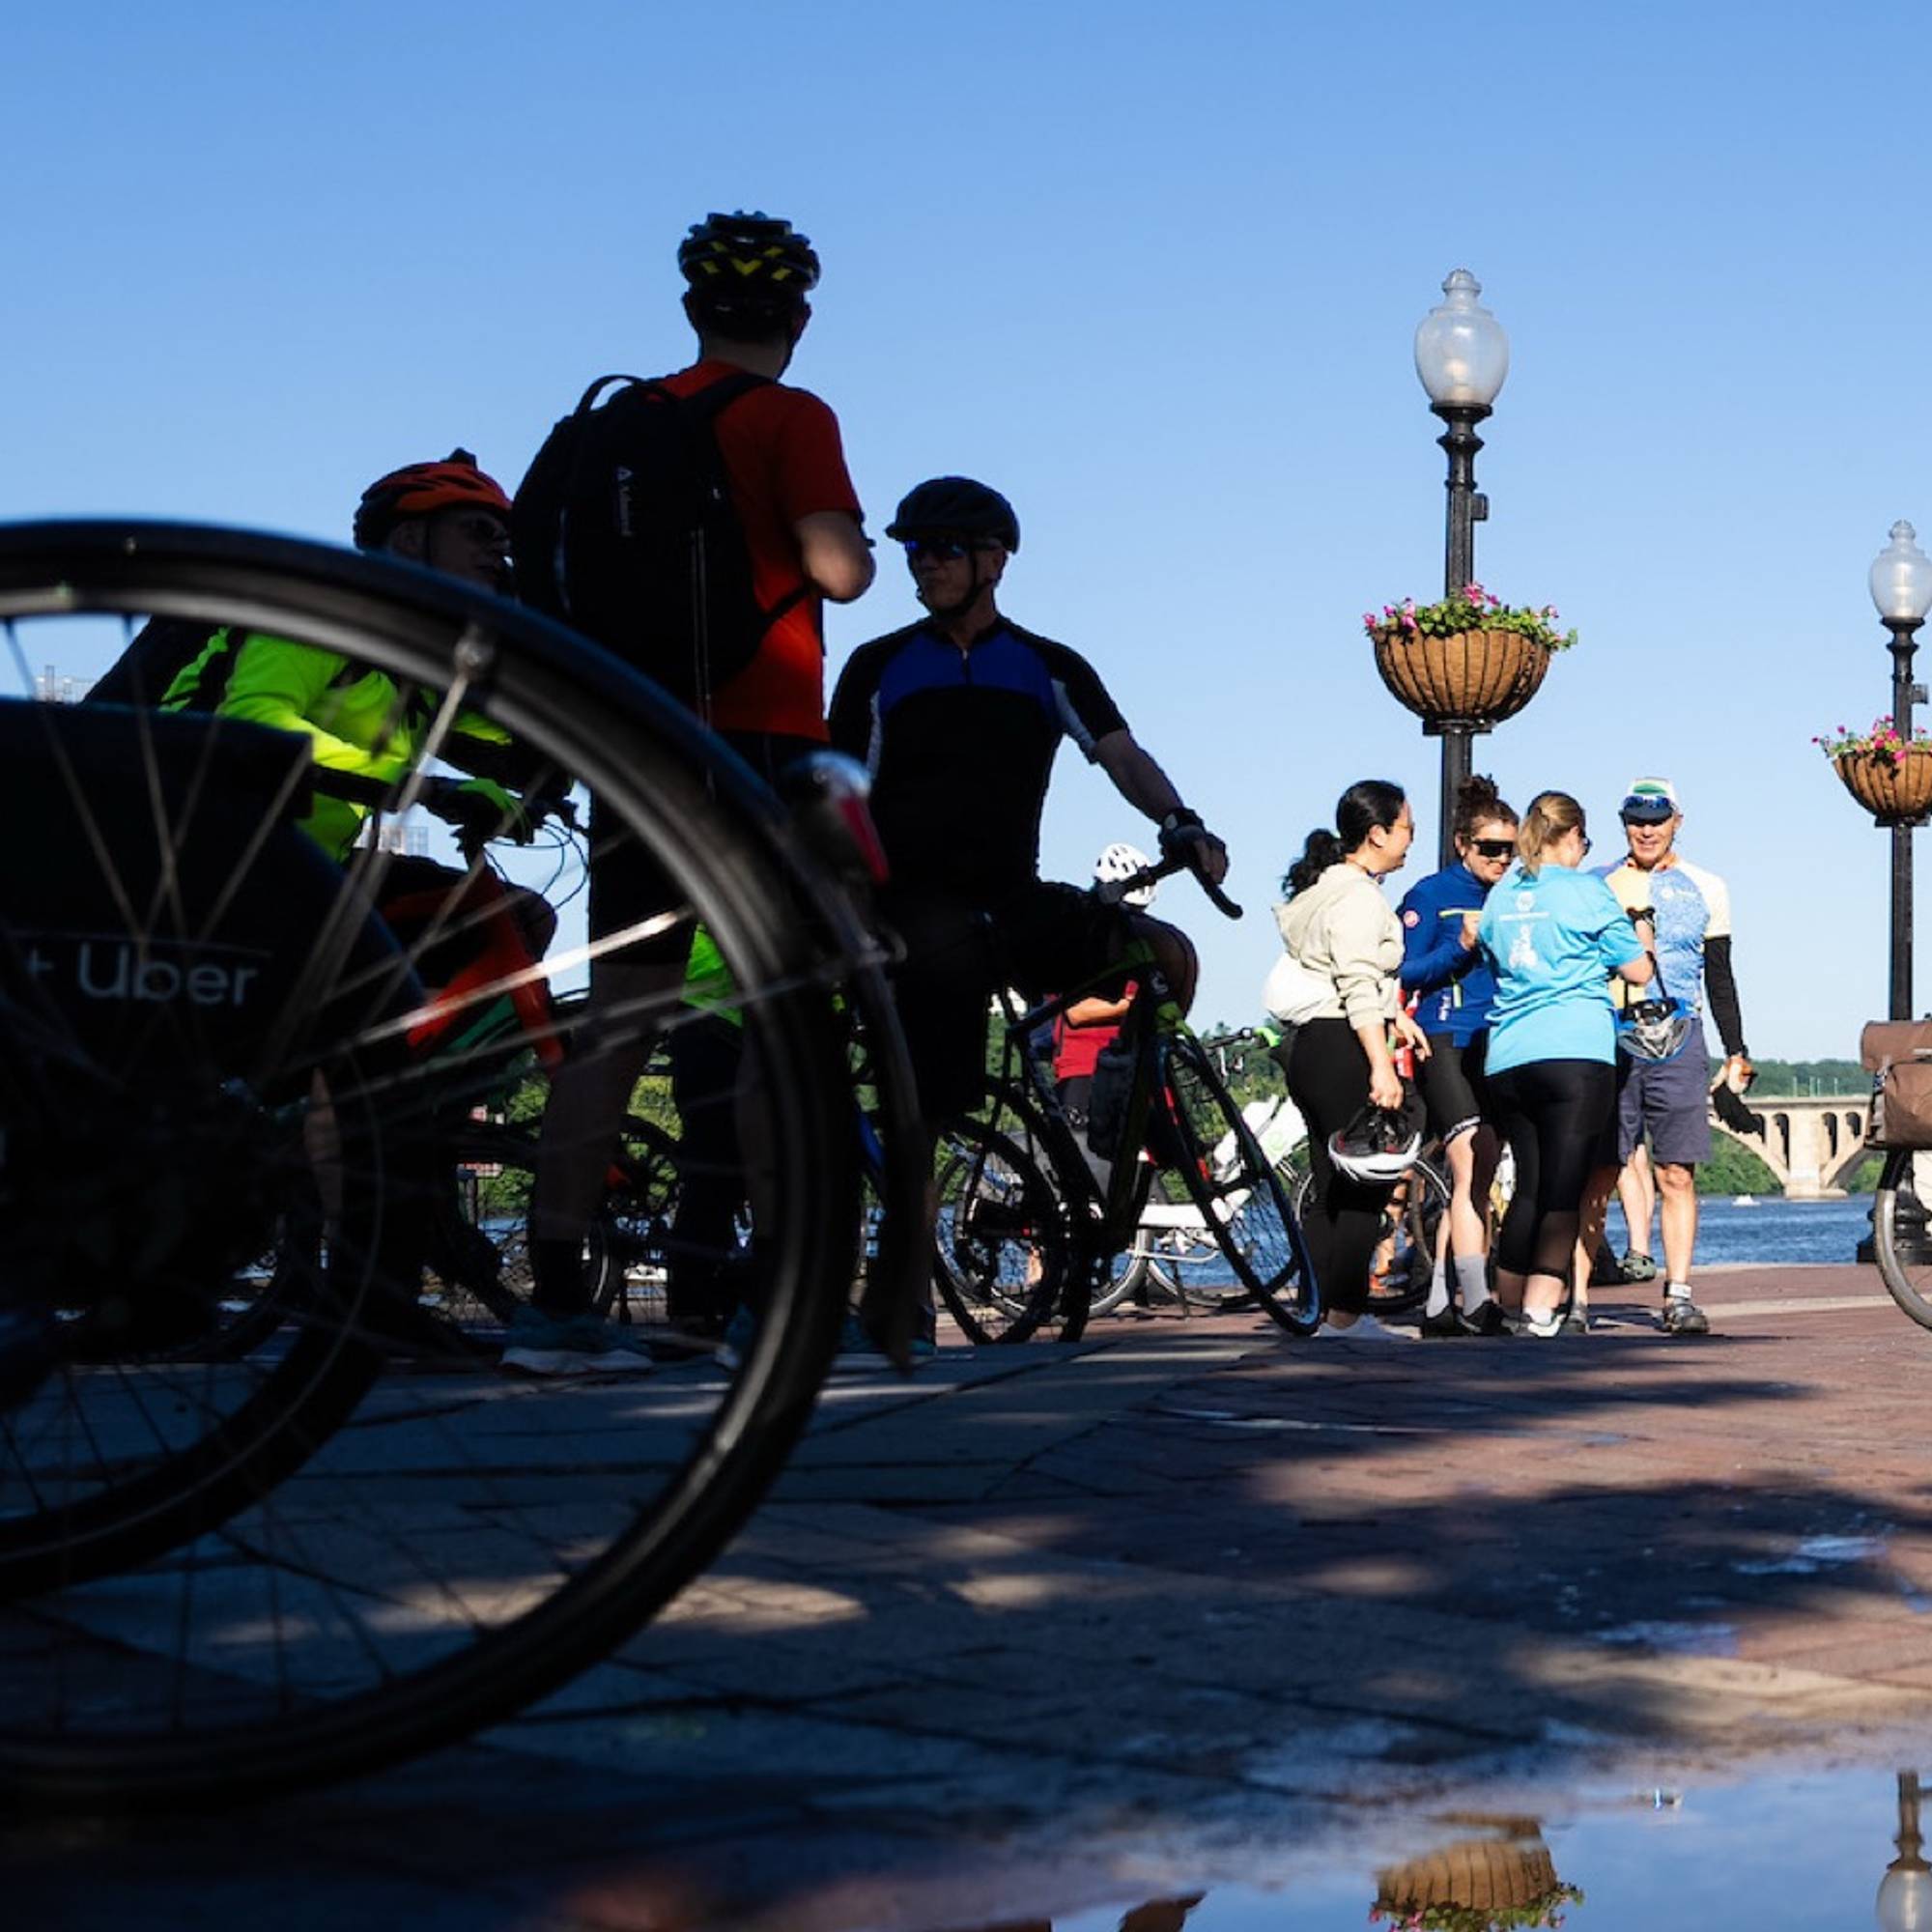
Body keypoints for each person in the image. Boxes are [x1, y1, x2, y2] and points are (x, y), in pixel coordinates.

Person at [518, 211, 874, 1371]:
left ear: (688, 314)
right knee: (779, 1025)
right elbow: (837, 568)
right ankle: (773, 1292)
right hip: (756, 747)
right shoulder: (791, 414)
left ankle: (557, 1292)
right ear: (798, 319)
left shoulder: (624, 417)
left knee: (617, 1024)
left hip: (637, 748)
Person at [828, 477, 1229, 1271]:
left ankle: (1114, 1158)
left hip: (1011, 895)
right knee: (929, 1101)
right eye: (913, 549)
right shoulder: (881, 667)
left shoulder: (1047, 666)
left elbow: (1121, 753)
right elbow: (838, 794)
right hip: (914, 905)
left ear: (995, 561)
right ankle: (901, 1282)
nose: (923, 565)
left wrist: (1181, 822)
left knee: (1160, 951)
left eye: (942, 549)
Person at [1478, 791, 1655, 1337]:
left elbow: (1490, 956)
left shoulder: (1503, 893)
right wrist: (1640, 936)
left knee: (1529, 1182)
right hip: (1575, 1051)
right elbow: (1638, 972)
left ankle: (1506, 1302)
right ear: (1573, 836)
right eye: (1585, 841)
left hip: (1508, 1055)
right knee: (1564, 1186)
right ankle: (1539, 1308)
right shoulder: (1587, 892)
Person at [1591, 776, 1753, 1336]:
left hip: (1680, 1033)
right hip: (1610, 1033)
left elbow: (1721, 975)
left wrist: (1737, 1051)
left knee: (1677, 1173)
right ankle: (1577, 1302)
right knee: (1601, 1169)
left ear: (1677, 822)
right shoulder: (1598, 884)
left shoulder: (1708, 886)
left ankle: (1679, 1294)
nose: (1646, 829)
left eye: (1657, 819)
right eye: (1635, 818)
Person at [1275, 781, 1431, 1329]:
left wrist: (1398, 1016)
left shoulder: (1320, 892)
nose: (1411, 837)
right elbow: (1358, 983)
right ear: (1377, 833)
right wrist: (1382, 1065)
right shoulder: (1359, 898)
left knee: (1330, 1188)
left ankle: (1312, 1313)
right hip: (1343, 1044)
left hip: (1307, 1047)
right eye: (1406, 826)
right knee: (1369, 1184)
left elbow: (1337, 973)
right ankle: (1345, 1316)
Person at [1398, 774, 1518, 1337]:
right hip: (1445, 1036)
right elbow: (1404, 970)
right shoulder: (1431, 895)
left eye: (1510, 850)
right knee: (1471, 1162)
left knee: (1480, 1171)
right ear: (1462, 845)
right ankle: (1476, 1300)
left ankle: (1439, 1303)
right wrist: (1460, 946)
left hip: (1496, 1040)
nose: (1501, 859)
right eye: (1490, 849)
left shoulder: (1513, 896)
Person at [1051, 842, 1158, 1147]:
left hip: (1130, 1062)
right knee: (1088, 1162)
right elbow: (1075, 1011)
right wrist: (1131, 1006)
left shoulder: (1139, 937)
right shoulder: (1084, 937)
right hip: (1084, 1066)